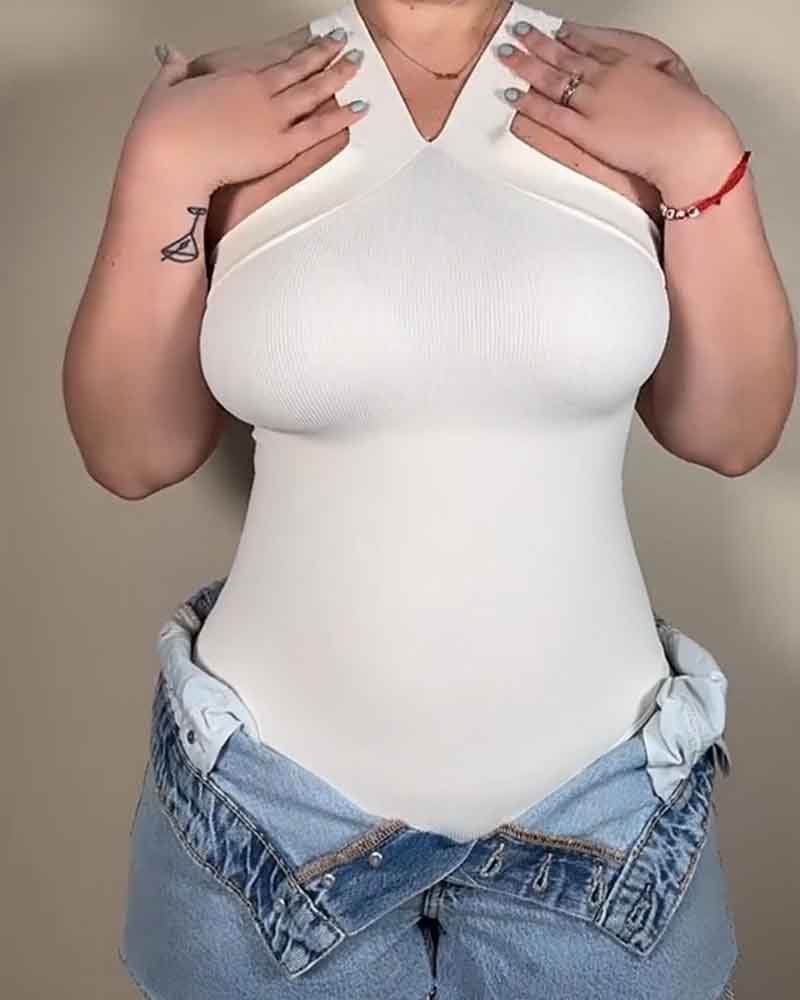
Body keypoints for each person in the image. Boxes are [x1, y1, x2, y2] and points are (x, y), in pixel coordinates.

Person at [64, 2, 764, 996]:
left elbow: (728, 432)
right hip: (259, 830)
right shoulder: (232, 95)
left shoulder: (631, 86)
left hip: (607, 831)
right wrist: (160, 172)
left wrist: (703, 161)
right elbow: (134, 453)